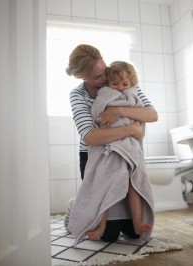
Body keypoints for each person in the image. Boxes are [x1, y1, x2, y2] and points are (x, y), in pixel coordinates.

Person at [65, 44, 158, 243]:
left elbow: (151, 114)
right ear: (83, 77)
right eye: (97, 77)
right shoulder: (78, 95)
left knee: (134, 233)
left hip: (125, 152)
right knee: (108, 235)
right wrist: (131, 129)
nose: (105, 78)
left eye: (104, 70)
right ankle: (77, 206)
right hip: (97, 156)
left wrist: (119, 112)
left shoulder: (119, 80)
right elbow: (90, 136)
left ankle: (120, 216)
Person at [85, 61, 152, 240]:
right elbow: (97, 116)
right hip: (111, 147)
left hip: (130, 147)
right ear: (108, 82)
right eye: (115, 84)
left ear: (131, 83)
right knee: (107, 183)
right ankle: (101, 224)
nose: (121, 88)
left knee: (134, 185)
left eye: (125, 85)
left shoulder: (135, 93)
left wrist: (123, 112)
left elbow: (150, 115)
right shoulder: (103, 95)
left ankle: (137, 222)